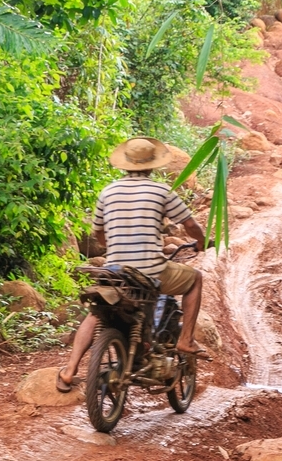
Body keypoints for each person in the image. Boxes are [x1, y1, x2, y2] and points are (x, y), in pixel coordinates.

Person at [56, 137, 208, 393]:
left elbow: (99, 235)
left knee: (96, 313)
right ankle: (185, 340)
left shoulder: (108, 191)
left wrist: (116, 244)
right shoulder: (162, 191)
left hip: (115, 271)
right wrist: (202, 241)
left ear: (125, 164)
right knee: (195, 279)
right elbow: (190, 226)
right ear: (152, 165)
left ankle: (70, 370)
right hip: (150, 270)